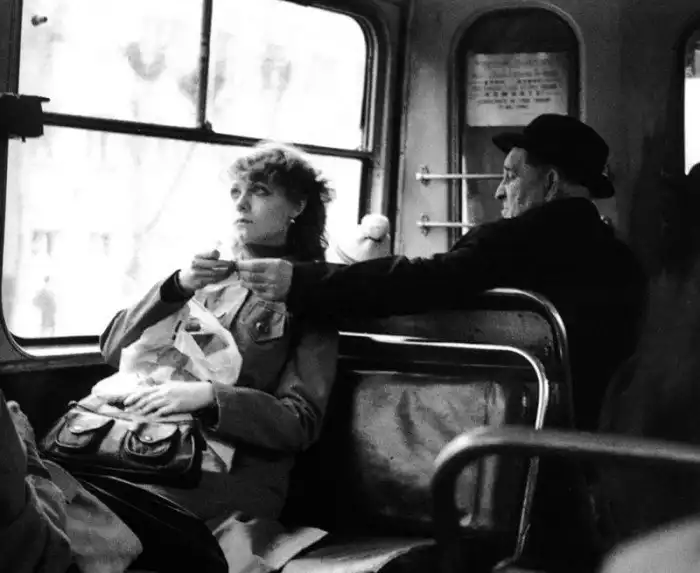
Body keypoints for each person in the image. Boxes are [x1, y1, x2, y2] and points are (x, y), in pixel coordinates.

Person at [235, 114, 647, 430]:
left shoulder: (511, 241)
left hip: (509, 432)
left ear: (551, 182)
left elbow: (426, 281)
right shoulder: (625, 262)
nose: (500, 191)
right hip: (593, 433)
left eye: (510, 176)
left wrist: (304, 281)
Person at [98, 142, 338, 571]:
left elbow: (300, 422)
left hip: (234, 473)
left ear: (298, 206)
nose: (241, 204)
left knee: (109, 507)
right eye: (235, 192)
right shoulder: (201, 280)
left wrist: (211, 398)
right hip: (146, 446)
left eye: (260, 191)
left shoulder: (311, 296)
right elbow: (113, 349)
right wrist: (175, 286)